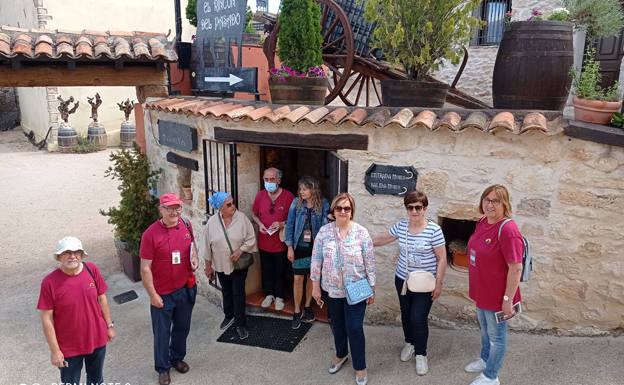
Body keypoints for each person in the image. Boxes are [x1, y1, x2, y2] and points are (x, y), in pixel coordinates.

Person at [372, 190, 447, 376]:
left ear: (425, 208)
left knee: (418, 317)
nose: (414, 211)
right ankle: (410, 343)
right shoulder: (402, 226)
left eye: (418, 207)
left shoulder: (434, 230)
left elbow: (442, 258)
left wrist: (439, 283)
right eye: (410, 207)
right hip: (403, 280)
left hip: (425, 282)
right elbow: (382, 238)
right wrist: (359, 239)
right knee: (406, 313)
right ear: (406, 209)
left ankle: (421, 354)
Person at [311, 193, 375, 385]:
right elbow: (316, 260)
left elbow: (369, 262)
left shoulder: (362, 233)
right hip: (332, 289)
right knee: (337, 325)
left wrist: (372, 287)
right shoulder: (324, 232)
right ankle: (341, 354)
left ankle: (360, 367)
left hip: (357, 289)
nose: (343, 212)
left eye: (347, 208)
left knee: (354, 328)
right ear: (333, 211)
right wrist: (315, 287)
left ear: (352, 211)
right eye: (339, 208)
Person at [464, 184, 524, 385]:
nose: (490, 204)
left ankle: (491, 376)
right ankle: (485, 359)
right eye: (486, 200)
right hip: (482, 291)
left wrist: (507, 300)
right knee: (484, 329)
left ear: (504, 204)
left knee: (497, 336)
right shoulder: (482, 222)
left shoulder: (508, 230)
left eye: (495, 201)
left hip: (499, 297)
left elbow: (516, 268)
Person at [37, 236, 115, 385]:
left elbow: (102, 299)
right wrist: (55, 351)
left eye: (76, 252)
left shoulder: (91, 269)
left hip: (97, 339)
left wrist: (109, 326)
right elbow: (47, 319)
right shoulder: (49, 282)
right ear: (59, 257)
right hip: (68, 348)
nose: (72, 256)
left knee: (96, 380)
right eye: (67, 252)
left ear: (81, 254)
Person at [140, 193, 199, 385]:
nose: (175, 211)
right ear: (161, 209)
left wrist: (195, 259)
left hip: (185, 288)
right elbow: (145, 268)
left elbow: (193, 247)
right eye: (170, 208)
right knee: (162, 333)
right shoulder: (150, 234)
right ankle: (163, 368)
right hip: (162, 294)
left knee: (182, 328)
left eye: (177, 207)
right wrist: (152, 295)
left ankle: (177, 358)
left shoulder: (186, 225)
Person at [202, 191, 257, 340]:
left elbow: (251, 239)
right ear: (220, 208)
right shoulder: (212, 223)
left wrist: (240, 250)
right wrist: (208, 266)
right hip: (220, 264)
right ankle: (229, 315)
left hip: (238, 265)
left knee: (238, 291)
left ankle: (240, 323)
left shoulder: (242, 218)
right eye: (229, 204)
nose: (233, 206)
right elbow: (207, 247)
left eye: (233, 202)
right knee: (226, 290)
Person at [285, 176, 330, 329]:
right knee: (298, 278)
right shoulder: (295, 203)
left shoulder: (323, 203)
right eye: (300, 189)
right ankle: (297, 311)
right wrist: (289, 247)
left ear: (313, 189)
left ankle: (308, 306)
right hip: (299, 246)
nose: (301, 192)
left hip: (315, 248)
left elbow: (326, 228)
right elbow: (290, 224)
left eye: (305, 189)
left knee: (312, 278)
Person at [252, 167, 295, 311]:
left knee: (280, 271)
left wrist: (282, 224)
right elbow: (254, 215)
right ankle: (269, 294)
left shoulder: (289, 197)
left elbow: (294, 219)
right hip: (264, 241)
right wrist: (260, 225)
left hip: (281, 243)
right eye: (266, 179)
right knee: (266, 269)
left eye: (272, 179)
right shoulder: (260, 196)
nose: (269, 182)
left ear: (279, 180)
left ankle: (279, 297)